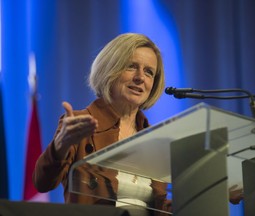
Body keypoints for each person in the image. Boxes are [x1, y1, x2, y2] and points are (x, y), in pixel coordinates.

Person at [32, 33, 171, 216]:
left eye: (149, 72)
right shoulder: (80, 124)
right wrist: (60, 146)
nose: (140, 78)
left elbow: (160, 208)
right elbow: (43, 183)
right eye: (131, 66)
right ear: (110, 69)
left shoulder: (154, 140)